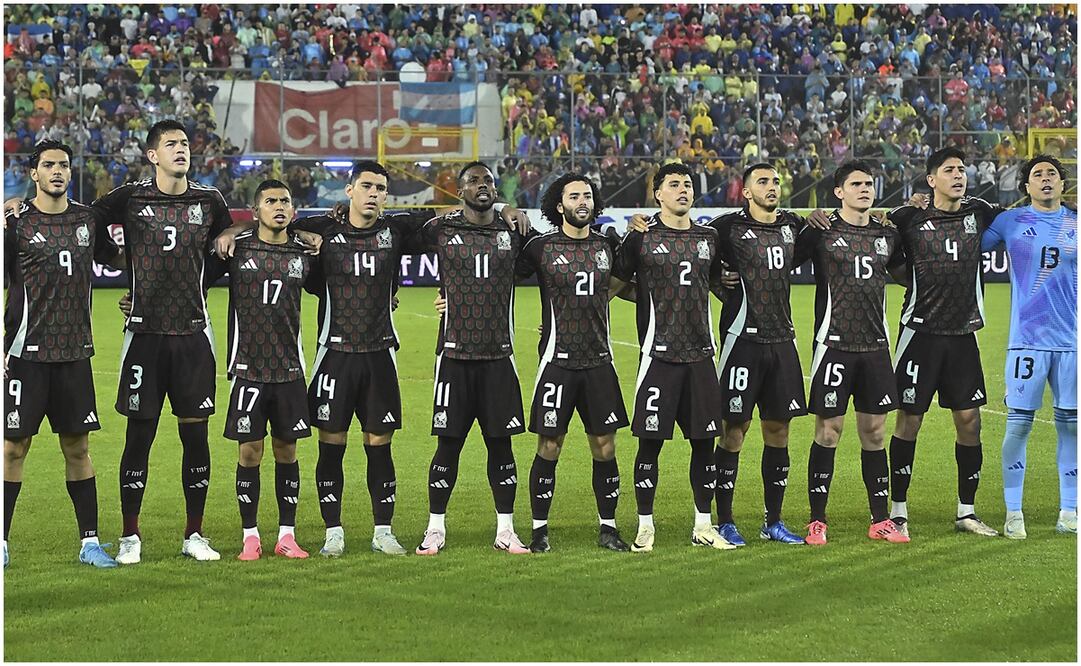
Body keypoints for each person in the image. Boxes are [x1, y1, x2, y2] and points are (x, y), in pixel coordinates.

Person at [3, 140, 122, 568]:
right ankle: (1, 543)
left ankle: (90, 543)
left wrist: (135, 297)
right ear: (33, 173)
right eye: (49, 165)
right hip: (25, 355)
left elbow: (124, 259)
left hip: (74, 356)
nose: (58, 171)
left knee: (77, 447)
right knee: (13, 449)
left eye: (64, 165)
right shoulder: (14, 224)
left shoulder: (88, 220)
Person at [611, 162, 735, 553]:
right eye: (674, 185)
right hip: (658, 357)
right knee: (650, 443)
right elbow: (614, 286)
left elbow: (715, 282)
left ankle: (703, 523)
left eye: (688, 184)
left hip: (700, 356)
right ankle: (645, 526)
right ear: (658, 193)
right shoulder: (640, 237)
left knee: (704, 443)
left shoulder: (709, 238)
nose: (683, 190)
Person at [413, 162, 535, 555]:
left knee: (502, 446)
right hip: (452, 356)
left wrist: (508, 210)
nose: (483, 186)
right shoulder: (440, 228)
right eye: (474, 181)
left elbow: (551, 260)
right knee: (447, 446)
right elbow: (390, 237)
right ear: (460, 190)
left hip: (499, 357)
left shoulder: (512, 232)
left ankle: (505, 530)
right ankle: (435, 529)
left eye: (488, 181)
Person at [514, 173, 633, 552]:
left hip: (599, 361)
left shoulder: (608, 244)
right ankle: (538, 530)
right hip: (557, 362)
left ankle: (609, 528)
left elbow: (628, 284)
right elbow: (498, 276)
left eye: (587, 195)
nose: (582, 201)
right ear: (559, 204)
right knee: (549, 443)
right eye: (574, 196)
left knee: (605, 444)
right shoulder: (540, 247)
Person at [792, 161, 910, 545]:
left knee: (874, 432)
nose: (864, 188)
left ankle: (880, 520)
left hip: (875, 347)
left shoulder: (885, 234)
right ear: (838, 192)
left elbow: (905, 272)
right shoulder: (821, 233)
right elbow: (779, 255)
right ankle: (817, 521)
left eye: (869, 183)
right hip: (834, 346)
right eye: (856, 183)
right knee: (829, 430)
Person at [887, 147, 1003, 538]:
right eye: (949, 170)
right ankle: (898, 511)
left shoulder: (980, 212)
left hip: (963, 334)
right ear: (931, 180)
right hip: (919, 333)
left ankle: (966, 512)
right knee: (910, 420)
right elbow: (880, 252)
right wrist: (913, 278)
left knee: (969, 422)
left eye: (962, 169)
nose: (959, 175)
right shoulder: (908, 217)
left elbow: (1019, 223)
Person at [214, 180, 316, 560]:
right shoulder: (237, 251)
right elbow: (191, 273)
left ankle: (287, 535)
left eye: (285, 201)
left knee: (287, 452)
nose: (278, 206)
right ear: (255, 211)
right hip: (248, 369)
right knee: (250, 453)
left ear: (293, 210)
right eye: (270, 201)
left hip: (289, 370)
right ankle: (250, 535)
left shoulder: (305, 253)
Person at [709, 163, 811, 546]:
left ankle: (774, 521)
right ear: (746, 192)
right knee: (734, 430)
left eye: (776, 181)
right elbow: (692, 253)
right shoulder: (726, 228)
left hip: (782, 340)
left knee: (778, 430)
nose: (772, 187)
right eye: (763, 182)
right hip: (741, 341)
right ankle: (725, 520)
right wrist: (718, 281)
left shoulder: (793, 226)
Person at [981, 155, 1077, 537]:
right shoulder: (1010, 221)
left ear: (1062, 181)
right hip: (1027, 343)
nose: (1046, 179)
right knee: (1018, 427)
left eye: (1052, 173)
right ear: (1026, 186)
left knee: (1071, 428)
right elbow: (966, 244)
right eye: (1037, 174)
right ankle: (1013, 512)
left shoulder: (1076, 222)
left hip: (1072, 343)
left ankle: (1069, 510)